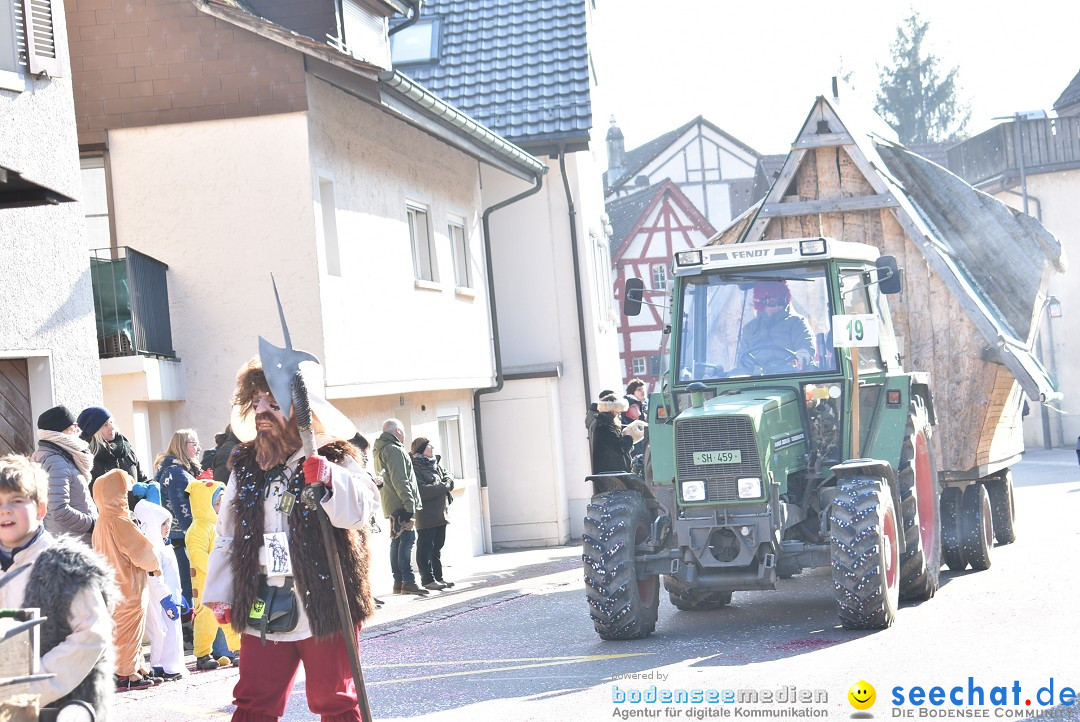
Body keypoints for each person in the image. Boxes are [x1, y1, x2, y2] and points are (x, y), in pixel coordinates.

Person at [201, 357, 379, 722]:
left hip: (325, 599)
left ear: (299, 411)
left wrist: (330, 478)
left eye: (273, 403)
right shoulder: (245, 465)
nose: (261, 412)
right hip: (263, 598)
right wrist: (220, 591)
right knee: (253, 701)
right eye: (257, 403)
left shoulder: (333, 456)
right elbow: (227, 535)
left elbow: (362, 511)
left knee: (335, 700)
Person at [0, 454, 117, 718]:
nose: (5, 510)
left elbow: (92, 634)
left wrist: (30, 688)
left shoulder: (66, 566)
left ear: (41, 510)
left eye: (16, 501)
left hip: (61, 705)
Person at [91, 469, 162, 690]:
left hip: (111, 583)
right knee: (129, 628)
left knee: (122, 627)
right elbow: (139, 551)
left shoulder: (101, 521)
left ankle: (136, 666)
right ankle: (125, 673)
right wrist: (155, 566)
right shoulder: (120, 521)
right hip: (128, 582)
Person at [186, 477, 240, 670]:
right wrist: (215, 570)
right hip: (205, 582)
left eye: (221, 503)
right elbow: (198, 556)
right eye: (216, 503)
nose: (219, 507)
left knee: (228, 615)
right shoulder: (197, 529)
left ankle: (238, 650)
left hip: (220, 578)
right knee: (206, 619)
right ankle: (202, 654)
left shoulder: (218, 524)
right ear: (205, 503)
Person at [132, 500, 188, 681]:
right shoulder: (152, 549)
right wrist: (165, 597)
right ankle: (160, 665)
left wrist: (179, 597)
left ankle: (172, 665)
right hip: (160, 599)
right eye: (163, 524)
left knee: (172, 632)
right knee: (160, 630)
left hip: (171, 597)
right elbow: (152, 577)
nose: (167, 528)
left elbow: (173, 576)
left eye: (168, 524)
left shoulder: (165, 546)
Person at [373, 418, 428, 596]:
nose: (404, 434)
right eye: (402, 431)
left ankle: (398, 581)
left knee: (396, 541)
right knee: (406, 540)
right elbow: (401, 480)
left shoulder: (380, 448)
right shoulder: (394, 449)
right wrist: (409, 505)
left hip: (391, 502)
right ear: (397, 431)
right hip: (400, 502)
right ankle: (408, 581)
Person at [31, 404, 97, 546]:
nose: (78, 430)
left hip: (73, 540)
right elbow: (59, 510)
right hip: (74, 544)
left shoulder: (58, 455)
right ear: (62, 429)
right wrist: (93, 525)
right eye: (74, 425)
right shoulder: (56, 461)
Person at [154, 430, 201, 604]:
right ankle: (188, 627)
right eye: (193, 443)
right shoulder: (176, 473)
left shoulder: (178, 470)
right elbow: (183, 510)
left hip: (178, 538)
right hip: (181, 540)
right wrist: (195, 537)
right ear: (181, 445)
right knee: (187, 588)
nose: (198, 448)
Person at [78, 405, 157, 506]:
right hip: (111, 519)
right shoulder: (88, 459)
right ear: (94, 431)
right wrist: (133, 494)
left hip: (139, 517)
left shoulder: (126, 449)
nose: (112, 428)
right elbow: (97, 498)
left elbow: (141, 478)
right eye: (105, 425)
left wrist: (152, 485)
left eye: (111, 422)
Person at [736, 281, 815, 374]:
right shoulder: (749, 329)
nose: (778, 306)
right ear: (761, 302)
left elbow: (806, 345)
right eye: (772, 302)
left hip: (788, 376)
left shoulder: (797, 322)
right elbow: (742, 360)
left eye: (781, 301)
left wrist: (802, 356)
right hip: (756, 379)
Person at [410, 437, 455, 590]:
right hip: (426, 515)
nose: (433, 447)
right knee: (425, 547)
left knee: (437, 547)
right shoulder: (415, 466)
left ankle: (439, 578)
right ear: (421, 448)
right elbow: (422, 491)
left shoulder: (435, 463)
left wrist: (446, 483)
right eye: (429, 445)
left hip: (441, 513)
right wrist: (444, 486)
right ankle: (427, 579)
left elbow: (448, 477)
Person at [586, 393, 645, 475]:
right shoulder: (604, 425)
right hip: (612, 473)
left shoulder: (602, 423)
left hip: (610, 472)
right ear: (612, 410)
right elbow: (620, 448)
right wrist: (627, 436)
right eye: (618, 411)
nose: (619, 414)